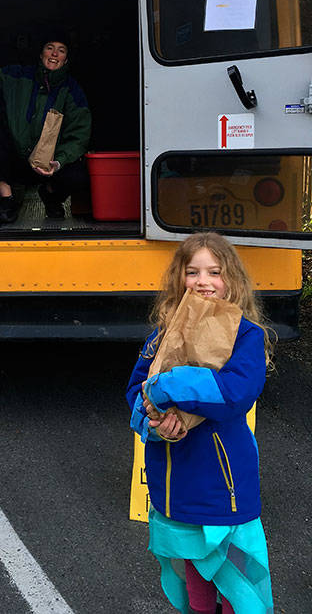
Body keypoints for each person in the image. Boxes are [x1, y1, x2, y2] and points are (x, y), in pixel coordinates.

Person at [126, 232, 274, 614]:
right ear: (180, 278)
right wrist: (154, 426)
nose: (203, 281)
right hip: (174, 485)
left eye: (214, 272)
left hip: (224, 488)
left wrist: (164, 386)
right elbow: (133, 392)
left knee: (237, 587)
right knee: (193, 576)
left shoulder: (247, 335)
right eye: (192, 272)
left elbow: (232, 394)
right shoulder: (163, 334)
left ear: (233, 280)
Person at [0, 13, 91, 224]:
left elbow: (79, 135)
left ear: (66, 59)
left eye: (61, 51)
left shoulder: (72, 91)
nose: (54, 54)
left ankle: (51, 196)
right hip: (16, 162)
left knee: (78, 174)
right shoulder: (16, 76)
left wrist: (58, 162)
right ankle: (7, 200)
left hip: (48, 166)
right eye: (49, 47)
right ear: (41, 53)